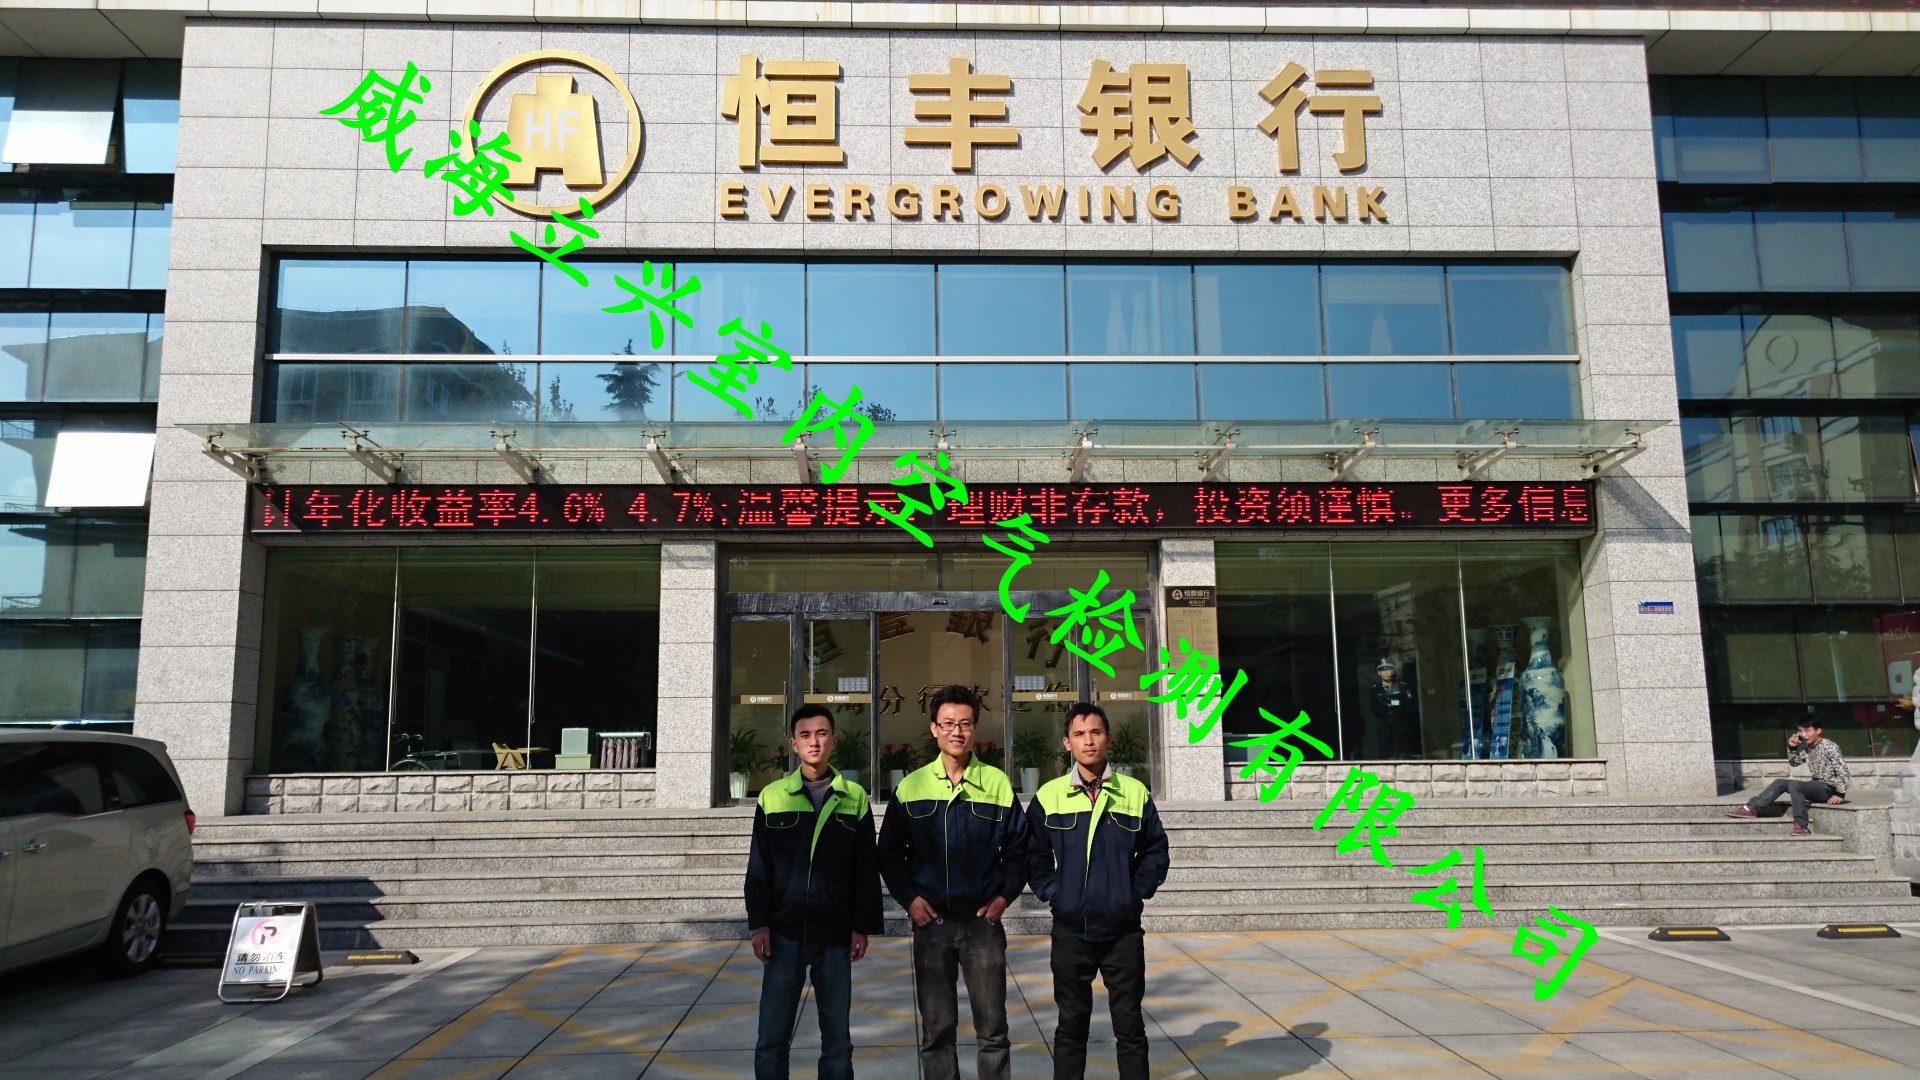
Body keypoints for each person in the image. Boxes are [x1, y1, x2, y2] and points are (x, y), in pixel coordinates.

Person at [877, 684, 1027, 1080]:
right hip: (932, 926)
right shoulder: (911, 787)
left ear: (975, 728)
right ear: (934, 729)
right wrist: (909, 900)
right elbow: (889, 853)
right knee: (936, 1033)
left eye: (965, 724)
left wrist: (1004, 897)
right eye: (948, 724)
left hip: (983, 927)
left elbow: (1019, 851)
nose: (956, 732)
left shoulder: (997, 784)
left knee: (993, 1032)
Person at [1024, 702, 1169, 1080]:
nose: (1088, 741)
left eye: (1095, 732)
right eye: (1079, 734)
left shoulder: (1134, 793)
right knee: (1070, 1028)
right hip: (1071, 931)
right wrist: (1056, 894)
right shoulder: (1049, 796)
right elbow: (1033, 855)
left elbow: (1155, 851)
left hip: (1123, 932)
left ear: (1108, 738)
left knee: (1130, 1027)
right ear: (1067, 743)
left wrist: (1132, 893)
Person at [745, 704, 883, 1080]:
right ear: (793, 744)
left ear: (834, 741)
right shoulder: (772, 796)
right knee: (772, 1039)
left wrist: (861, 925)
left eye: (822, 734)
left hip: (835, 937)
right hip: (784, 934)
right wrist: (759, 925)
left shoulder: (854, 797)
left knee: (837, 1042)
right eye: (805, 735)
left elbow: (865, 868)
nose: (814, 742)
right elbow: (759, 867)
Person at [1726, 719, 1850, 836]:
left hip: (1829, 789)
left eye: (1807, 731)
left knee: (1795, 785)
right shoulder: (1808, 747)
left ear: (1818, 731)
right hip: (1816, 786)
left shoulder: (1829, 746)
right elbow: (1794, 762)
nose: (1804, 735)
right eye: (1800, 731)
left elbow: (1843, 770)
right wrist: (1792, 747)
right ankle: (1751, 808)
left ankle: (1801, 825)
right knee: (1780, 782)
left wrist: (1840, 794)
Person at [1369, 658, 1418, 758]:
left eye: (1388, 669)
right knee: (1386, 756)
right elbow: (1374, 708)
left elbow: (1410, 706)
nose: (1386, 673)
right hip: (1385, 728)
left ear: (1392, 671)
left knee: (1401, 756)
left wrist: (1398, 710)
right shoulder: (1375, 689)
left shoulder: (1402, 686)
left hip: (1400, 727)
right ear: (1379, 672)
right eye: (1383, 670)